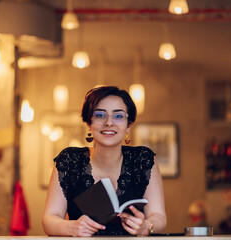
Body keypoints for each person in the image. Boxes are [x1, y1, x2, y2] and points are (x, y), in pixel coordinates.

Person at [43, 86, 167, 236]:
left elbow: (159, 218)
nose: (109, 122)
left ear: (129, 125)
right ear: (89, 123)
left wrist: (147, 226)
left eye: (119, 116)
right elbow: (49, 219)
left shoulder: (144, 160)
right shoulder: (69, 160)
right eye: (100, 115)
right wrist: (72, 227)